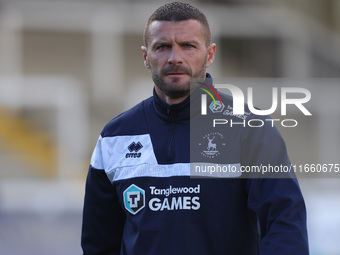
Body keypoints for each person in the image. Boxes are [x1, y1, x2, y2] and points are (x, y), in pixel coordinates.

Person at [81, 2, 309, 254]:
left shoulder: (249, 128)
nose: (174, 58)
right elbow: (98, 243)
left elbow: (285, 224)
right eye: (162, 47)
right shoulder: (115, 137)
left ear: (210, 54)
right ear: (146, 56)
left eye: (188, 46)